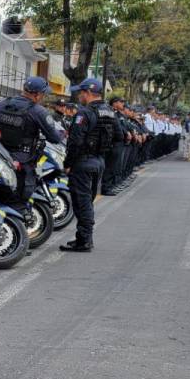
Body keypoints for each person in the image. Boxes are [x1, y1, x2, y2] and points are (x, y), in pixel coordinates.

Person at [59, 77, 121, 253]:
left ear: (87, 93)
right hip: (99, 162)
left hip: (83, 163)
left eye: (81, 92)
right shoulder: (109, 111)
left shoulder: (83, 113)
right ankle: (83, 237)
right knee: (88, 200)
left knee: (82, 202)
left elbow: (75, 142)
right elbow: (119, 136)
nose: (79, 96)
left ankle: (84, 241)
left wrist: (68, 163)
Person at [0, 75, 62, 212]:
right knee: (19, 200)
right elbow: (55, 138)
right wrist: (62, 134)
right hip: (23, 161)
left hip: (0, 158)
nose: (44, 97)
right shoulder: (38, 111)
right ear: (37, 94)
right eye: (44, 94)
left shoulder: (1, 105)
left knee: (2, 196)